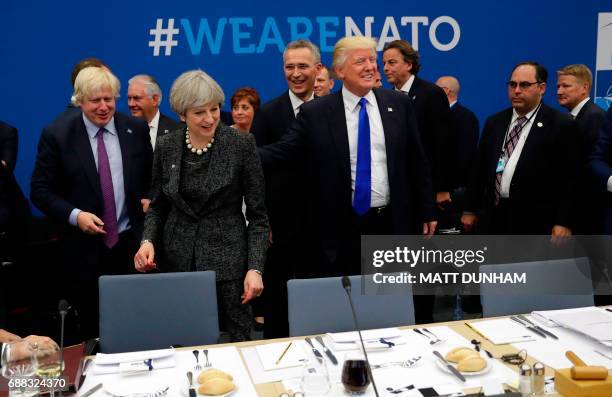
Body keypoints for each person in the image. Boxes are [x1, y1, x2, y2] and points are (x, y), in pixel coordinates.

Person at [259, 35, 436, 318]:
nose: (371, 67)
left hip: (390, 223)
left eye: (372, 60)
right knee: (344, 311)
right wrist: (232, 150)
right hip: (342, 230)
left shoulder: (398, 104)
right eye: (360, 62)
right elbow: (282, 152)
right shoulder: (316, 112)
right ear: (339, 71)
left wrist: (427, 209)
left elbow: (417, 159)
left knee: (390, 310)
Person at [134, 70, 269, 342]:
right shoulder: (167, 145)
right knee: (181, 338)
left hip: (230, 264)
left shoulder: (241, 144)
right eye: (199, 113)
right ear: (182, 114)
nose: (209, 119)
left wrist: (255, 269)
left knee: (238, 341)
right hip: (177, 261)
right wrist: (147, 241)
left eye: (214, 109)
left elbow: (258, 217)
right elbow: (158, 206)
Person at [30, 66, 152, 340]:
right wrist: (75, 215)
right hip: (82, 252)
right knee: (93, 330)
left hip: (128, 245)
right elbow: (40, 190)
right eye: (95, 100)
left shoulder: (134, 128)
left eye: (109, 99)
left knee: (136, 323)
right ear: (80, 100)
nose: (103, 106)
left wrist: (148, 197)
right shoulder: (58, 135)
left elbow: (150, 177)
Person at [251, 40, 321, 339]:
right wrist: (262, 219)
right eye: (289, 67)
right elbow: (255, 172)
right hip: (279, 225)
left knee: (320, 296)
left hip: (324, 222)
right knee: (278, 300)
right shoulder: (267, 113)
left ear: (317, 69)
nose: (296, 73)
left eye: (302, 66)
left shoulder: (333, 109)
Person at [462, 62, 580, 236]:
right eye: (512, 84)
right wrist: (469, 209)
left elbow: (570, 178)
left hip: (536, 222)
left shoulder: (561, 124)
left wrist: (563, 221)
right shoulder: (495, 122)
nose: (516, 90)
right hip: (493, 217)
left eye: (524, 85)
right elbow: (479, 169)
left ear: (542, 88)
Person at [382, 40, 455, 208]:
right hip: (395, 189)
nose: (385, 68)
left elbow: (443, 144)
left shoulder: (431, 94)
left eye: (392, 62)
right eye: (384, 63)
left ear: (409, 64)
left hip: (425, 188)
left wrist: (442, 188)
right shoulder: (385, 97)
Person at [557, 64, 606, 234]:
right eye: (558, 86)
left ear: (584, 88)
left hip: (586, 214)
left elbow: (587, 168)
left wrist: (568, 219)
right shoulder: (570, 118)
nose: (559, 91)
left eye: (566, 86)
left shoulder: (594, 116)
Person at [127, 74, 181, 150]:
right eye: (129, 98)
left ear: (155, 99)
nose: (131, 104)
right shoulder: (123, 130)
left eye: (137, 98)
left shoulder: (176, 132)